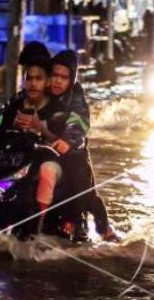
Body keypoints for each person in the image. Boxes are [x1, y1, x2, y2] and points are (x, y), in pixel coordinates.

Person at [0, 56, 63, 231]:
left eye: (38, 79)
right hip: (13, 158)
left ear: (47, 82)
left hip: (45, 159)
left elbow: (62, 137)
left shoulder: (55, 109)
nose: (33, 83)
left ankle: (40, 223)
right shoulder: (14, 104)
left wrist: (42, 131)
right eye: (29, 78)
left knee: (46, 172)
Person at [47, 50, 117, 242]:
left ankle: (104, 229)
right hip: (45, 152)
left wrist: (68, 141)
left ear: (71, 80)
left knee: (86, 193)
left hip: (73, 152)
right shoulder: (38, 93)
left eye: (64, 77)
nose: (58, 81)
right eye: (54, 75)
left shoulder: (75, 95)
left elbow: (78, 121)